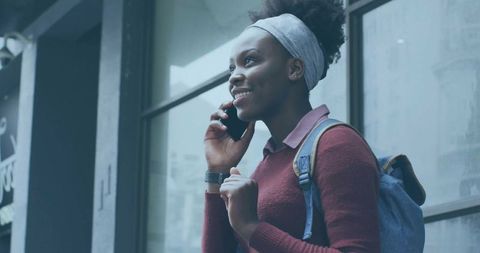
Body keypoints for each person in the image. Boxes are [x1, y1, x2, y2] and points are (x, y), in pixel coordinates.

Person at [202, 0, 380, 252]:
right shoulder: (266, 166)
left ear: (295, 69)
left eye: (250, 60)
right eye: (232, 67)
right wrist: (217, 172)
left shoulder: (336, 144)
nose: (234, 77)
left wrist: (253, 228)